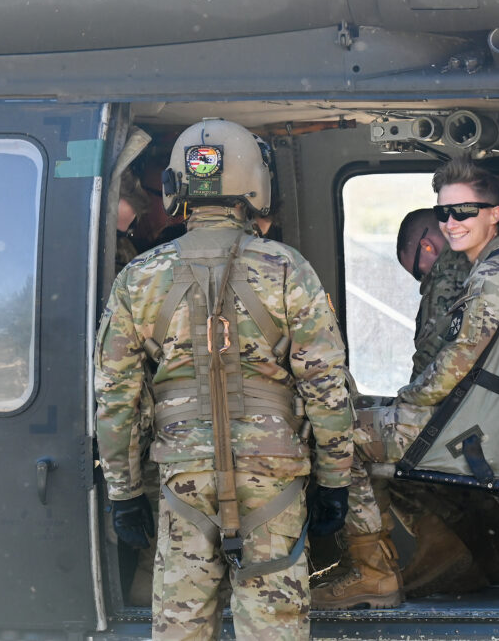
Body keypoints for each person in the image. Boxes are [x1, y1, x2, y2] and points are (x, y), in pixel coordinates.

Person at [95, 118, 354, 641]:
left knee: (182, 625)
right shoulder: (288, 269)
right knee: (273, 626)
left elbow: (116, 396)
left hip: (182, 475)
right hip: (273, 473)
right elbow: (327, 388)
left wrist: (123, 492)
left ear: (176, 188)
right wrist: (334, 481)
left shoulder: (138, 278)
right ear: (255, 185)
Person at [311, 158, 499, 609]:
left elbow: (455, 363)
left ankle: (372, 573)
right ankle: (471, 551)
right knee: (363, 412)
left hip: (474, 429)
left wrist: (406, 400)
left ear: (494, 213)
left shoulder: (493, 276)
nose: (452, 222)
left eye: (464, 211)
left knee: (338, 435)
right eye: (445, 212)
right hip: (476, 416)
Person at [385, 208, 499, 597]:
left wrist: (402, 402)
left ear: (427, 246)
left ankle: (385, 566)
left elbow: (433, 362)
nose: (422, 279)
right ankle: (483, 550)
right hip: (490, 414)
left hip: (466, 419)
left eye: (418, 270)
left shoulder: (448, 276)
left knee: (353, 441)